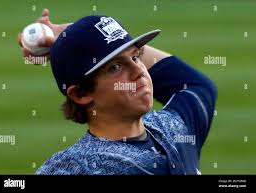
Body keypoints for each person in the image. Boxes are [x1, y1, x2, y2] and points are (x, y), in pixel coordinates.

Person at [18, 9, 217, 175]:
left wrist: (68, 34)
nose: (139, 71)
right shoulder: (75, 168)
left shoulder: (173, 129)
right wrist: (71, 42)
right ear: (80, 94)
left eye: (136, 57)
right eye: (115, 67)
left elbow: (194, 85)